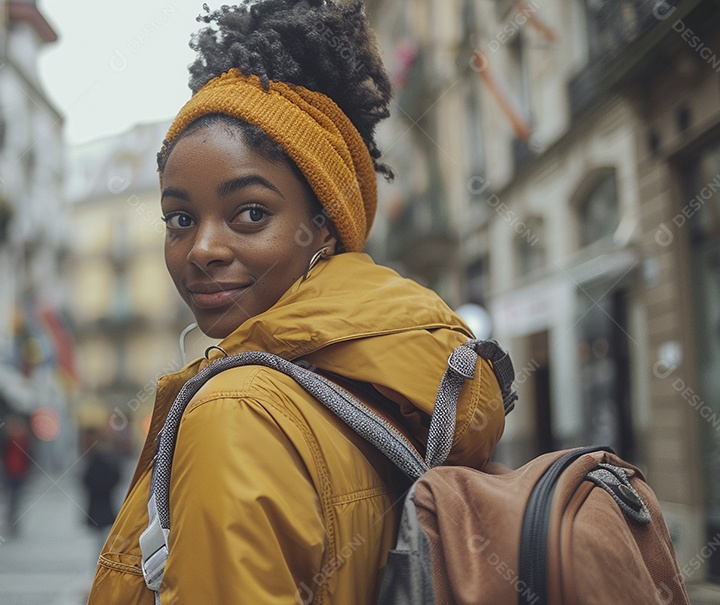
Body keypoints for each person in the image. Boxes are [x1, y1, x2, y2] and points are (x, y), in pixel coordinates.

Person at [87, 1, 507, 603]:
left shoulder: (237, 412)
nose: (201, 248)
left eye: (250, 213)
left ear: (326, 224)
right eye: (180, 218)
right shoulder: (401, 384)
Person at [80, 426, 122, 557]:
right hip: (101, 501)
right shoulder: (97, 457)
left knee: (103, 534)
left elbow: (90, 479)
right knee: (101, 534)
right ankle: (102, 558)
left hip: (101, 501)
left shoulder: (100, 458)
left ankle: (103, 558)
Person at [1, 416, 32, 535]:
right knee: (11, 498)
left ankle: (13, 521)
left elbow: (29, 455)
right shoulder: (6, 438)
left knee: (16, 499)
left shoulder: (24, 439)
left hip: (20, 473)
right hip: (9, 472)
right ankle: (11, 521)